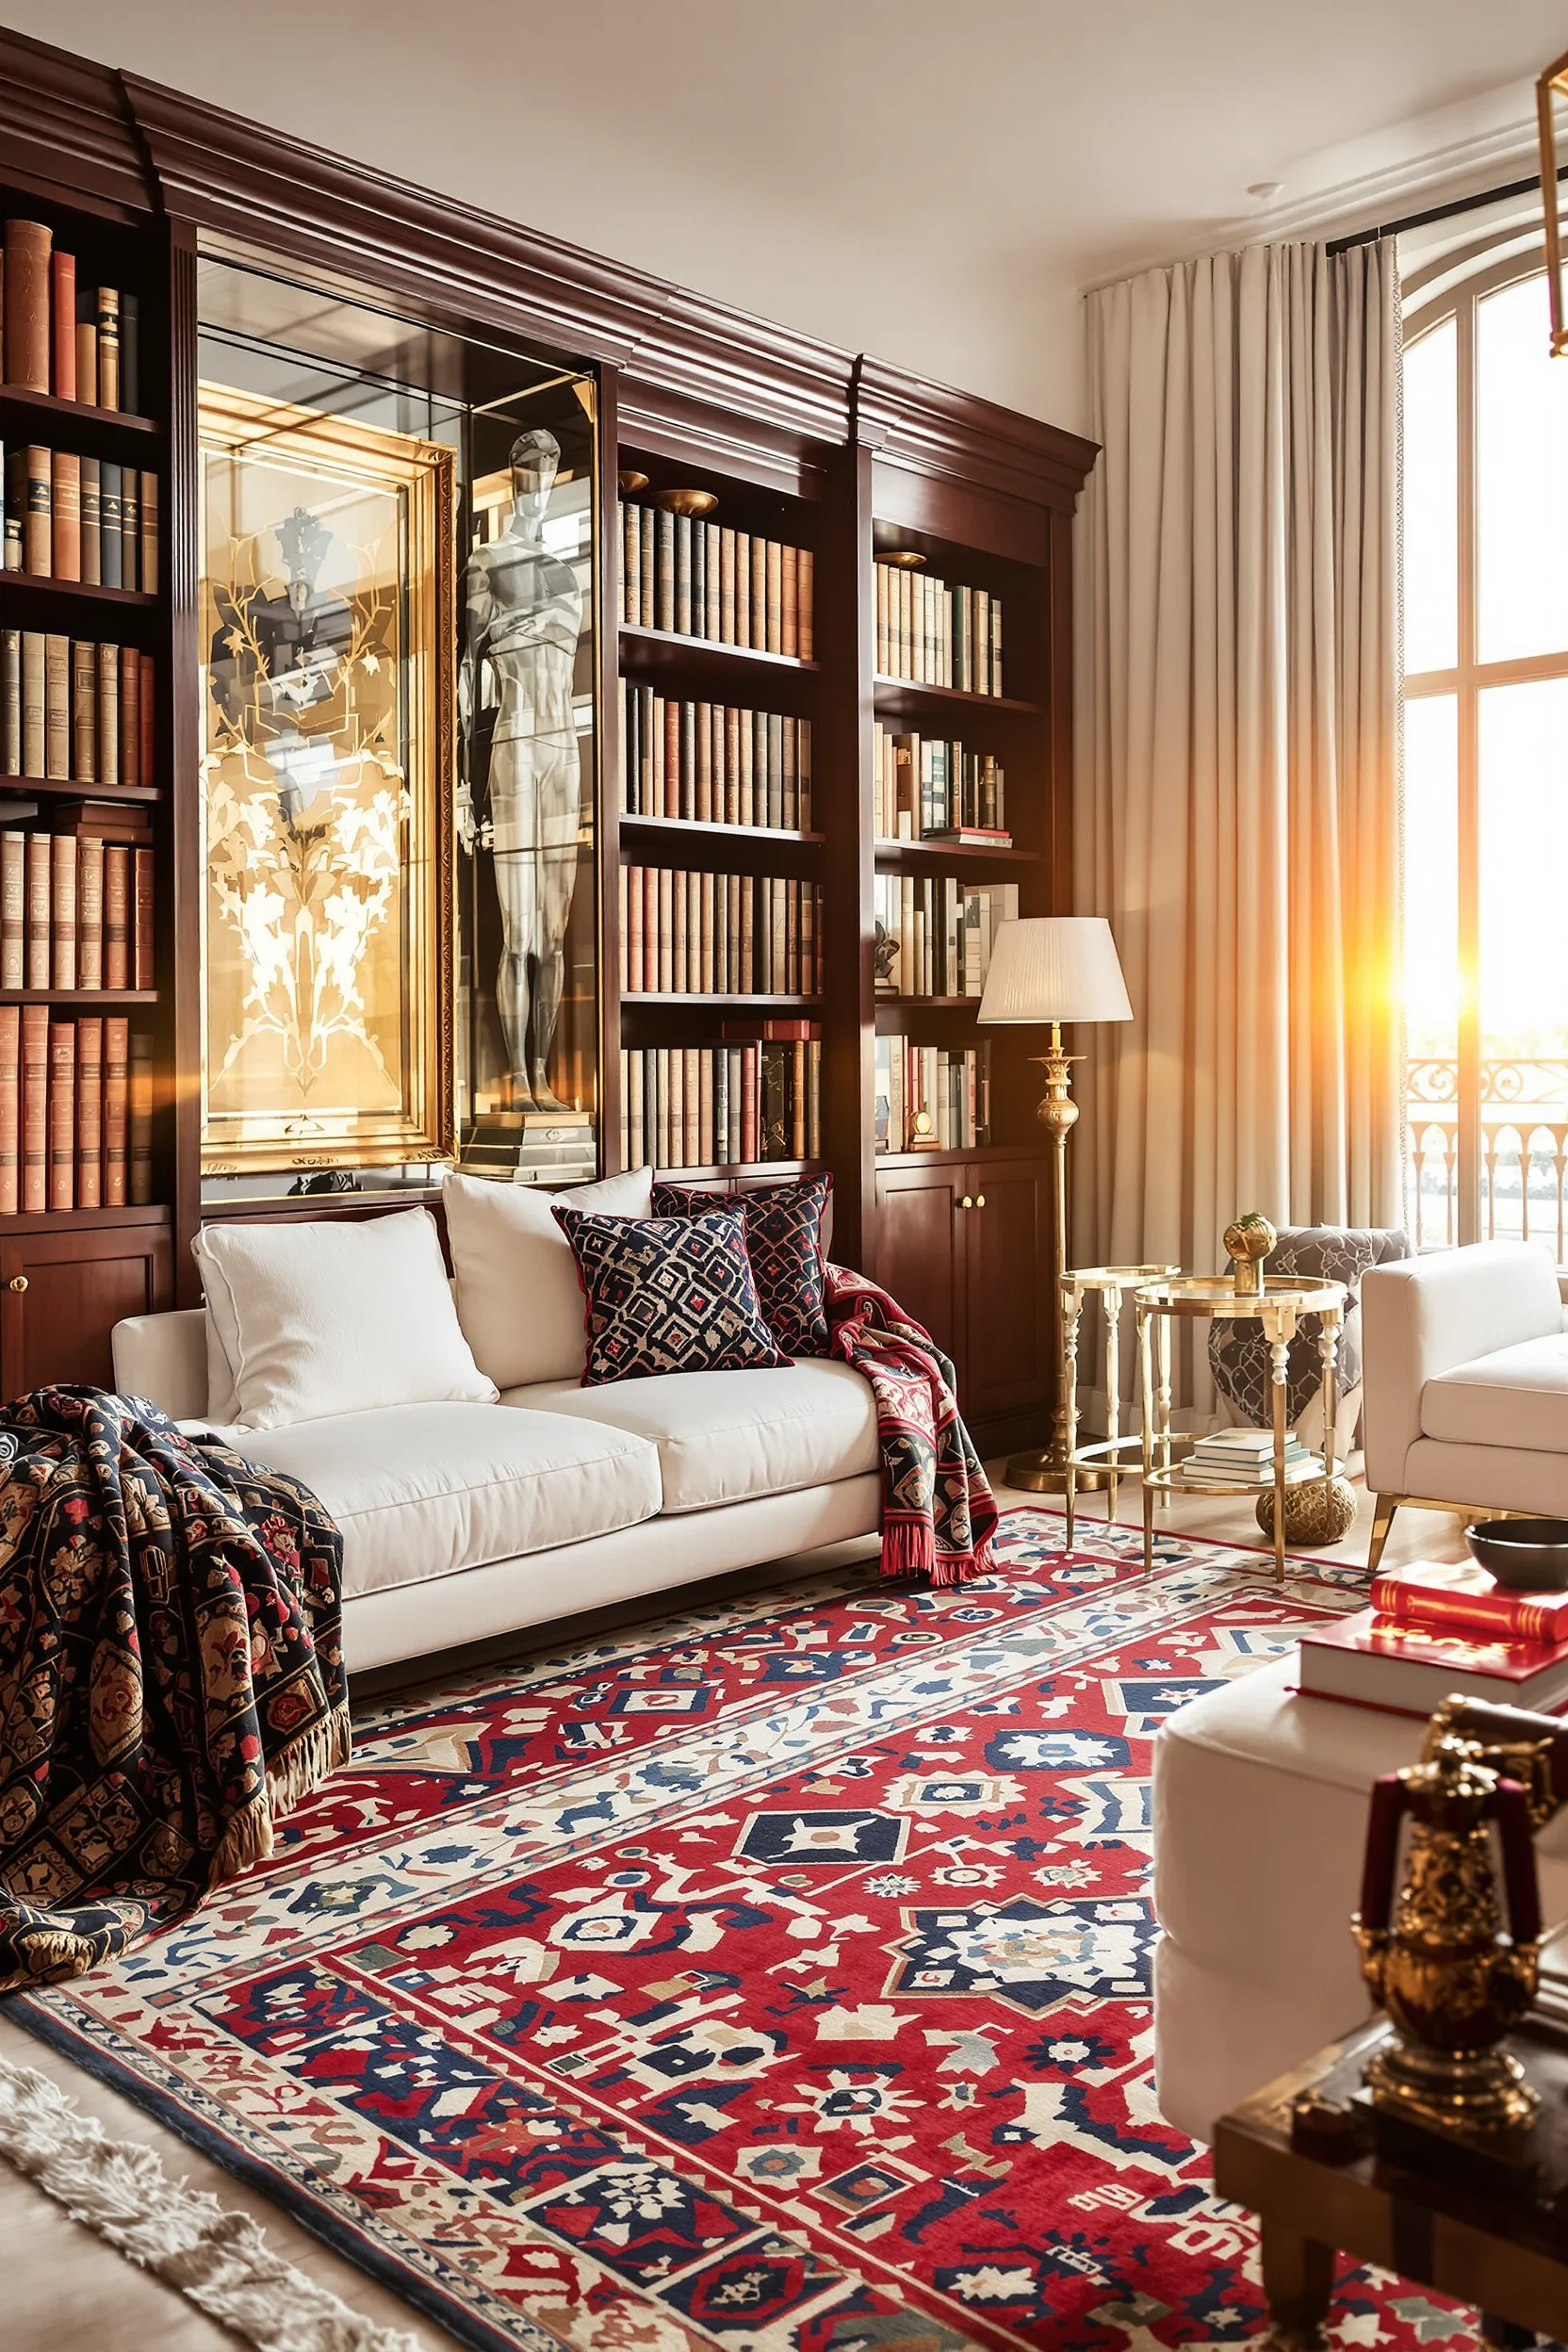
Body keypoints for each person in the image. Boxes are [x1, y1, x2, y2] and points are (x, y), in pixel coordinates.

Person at [458, 427, 583, 1114]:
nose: (540, 480)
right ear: (512, 478)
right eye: (529, 468)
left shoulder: (567, 571)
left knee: (557, 932)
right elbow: (461, 678)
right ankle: (517, 1079)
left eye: (551, 469)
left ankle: (544, 1074)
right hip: (517, 739)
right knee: (520, 931)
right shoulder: (489, 559)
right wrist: (459, 791)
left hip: (565, 744)